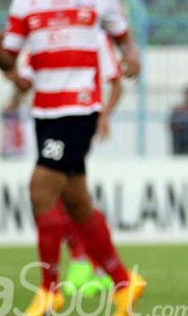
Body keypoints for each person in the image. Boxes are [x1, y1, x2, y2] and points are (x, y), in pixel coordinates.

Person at [0, 0, 145, 316]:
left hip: (80, 109)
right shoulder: (25, 3)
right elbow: (10, 58)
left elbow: (122, 35)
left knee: (40, 190)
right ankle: (124, 283)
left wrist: (132, 55)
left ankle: (48, 289)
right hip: (44, 111)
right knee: (76, 202)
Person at [11, 35, 124, 298]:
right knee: (74, 200)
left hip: (76, 120)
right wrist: (5, 65)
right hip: (46, 121)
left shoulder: (94, 36)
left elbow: (116, 83)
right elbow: (24, 81)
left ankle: (65, 278)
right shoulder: (39, 38)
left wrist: (104, 116)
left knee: (46, 191)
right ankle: (107, 273)